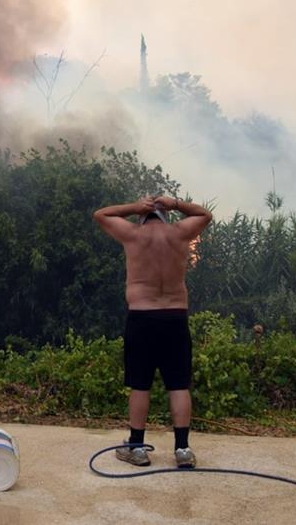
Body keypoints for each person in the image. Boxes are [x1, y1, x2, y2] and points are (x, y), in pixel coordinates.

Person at [94, 195, 212, 468]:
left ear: (143, 216)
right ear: (165, 216)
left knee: (140, 385)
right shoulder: (180, 233)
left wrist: (133, 206)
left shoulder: (133, 234)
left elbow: (101, 214)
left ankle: (136, 447)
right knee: (179, 385)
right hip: (175, 316)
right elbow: (205, 215)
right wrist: (177, 204)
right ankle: (182, 449)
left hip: (142, 317)